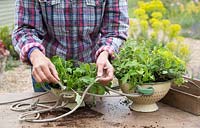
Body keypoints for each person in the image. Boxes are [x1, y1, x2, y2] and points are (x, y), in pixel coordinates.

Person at [12, 0, 129, 92]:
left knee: (93, 118)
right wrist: (35, 54)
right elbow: (24, 29)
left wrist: (105, 53)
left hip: (91, 72)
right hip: (48, 72)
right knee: (46, 118)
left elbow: (115, 29)